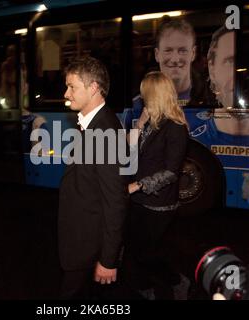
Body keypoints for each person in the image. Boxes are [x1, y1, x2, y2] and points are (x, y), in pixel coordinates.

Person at [57, 56, 129, 299]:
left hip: (88, 244)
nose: (66, 94)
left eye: (72, 87)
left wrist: (108, 260)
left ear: (94, 87)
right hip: (82, 239)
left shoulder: (105, 130)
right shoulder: (90, 123)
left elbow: (115, 200)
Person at [122, 71, 189, 300]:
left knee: (147, 253)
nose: (141, 99)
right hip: (139, 200)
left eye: (145, 95)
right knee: (132, 249)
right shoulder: (150, 122)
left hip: (159, 204)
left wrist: (137, 185)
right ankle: (145, 288)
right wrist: (138, 127)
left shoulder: (175, 127)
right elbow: (130, 158)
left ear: (156, 95)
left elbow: (171, 172)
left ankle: (177, 280)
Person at [190, 26, 249, 169]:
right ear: (212, 70)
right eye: (229, 62)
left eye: (244, 64)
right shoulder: (193, 144)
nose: (238, 75)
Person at [123, 16, 204, 132]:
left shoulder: (211, 98)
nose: (175, 59)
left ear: (193, 53)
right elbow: (127, 146)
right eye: (168, 50)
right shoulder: (137, 104)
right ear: (156, 54)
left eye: (182, 50)